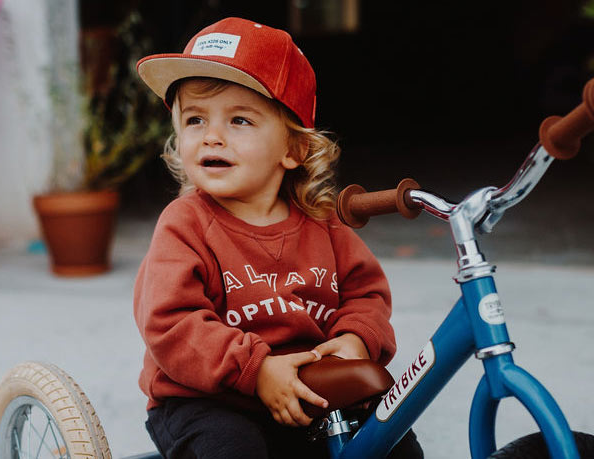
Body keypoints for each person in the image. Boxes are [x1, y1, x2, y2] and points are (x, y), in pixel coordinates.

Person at [133, 17, 423, 459]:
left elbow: (365, 294)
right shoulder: (185, 224)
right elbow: (171, 323)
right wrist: (257, 369)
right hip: (209, 398)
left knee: (392, 439)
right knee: (232, 448)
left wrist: (357, 340)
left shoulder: (322, 224)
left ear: (293, 149)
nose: (212, 136)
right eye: (195, 120)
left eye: (239, 121)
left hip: (307, 393)